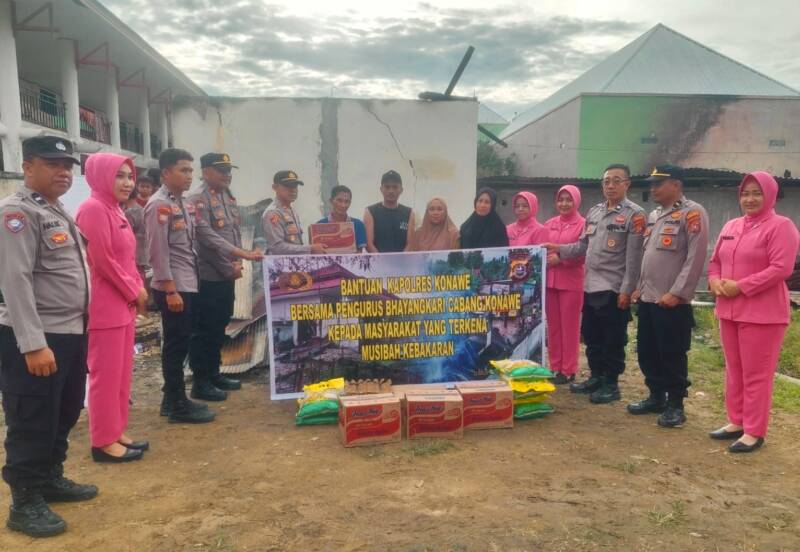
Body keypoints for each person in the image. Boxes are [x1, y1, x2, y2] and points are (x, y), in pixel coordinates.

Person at [0, 136, 97, 537]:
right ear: (27, 166)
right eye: (52, 164)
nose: (63, 172)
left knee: (65, 410)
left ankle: (50, 478)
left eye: (67, 166)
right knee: (32, 417)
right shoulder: (17, 213)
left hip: (71, 332)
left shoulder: (56, 210)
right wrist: (34, 344)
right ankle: (24, 501)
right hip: (39, 337)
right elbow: (15, 280)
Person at [708, 171, 799, 453]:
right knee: (734, 370)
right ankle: (736, 421)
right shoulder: (732, 225)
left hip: (763, 314)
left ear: (770, 195)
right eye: (745, 193)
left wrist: (741, 286)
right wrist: (714, 281)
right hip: (729, 310)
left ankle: (754, 431)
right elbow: (715, 261)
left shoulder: (781, 226)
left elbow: (781, 268)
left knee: (756, 374)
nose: (750, 199)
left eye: (757, 193)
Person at [544, 164, 645, 404]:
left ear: (627, 184)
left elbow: (634, 258)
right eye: (606, 181)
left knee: (612, 339)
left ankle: (611, 383)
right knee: (592, 336)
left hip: (613, 287)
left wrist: (627, 289)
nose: (610, 186)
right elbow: (582, 246)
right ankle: (596, 376)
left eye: (616, 181)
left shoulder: (635, 214)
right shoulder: (595, 212)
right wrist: (558, 248)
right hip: (589, 286)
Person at [75, 153, 149, 462]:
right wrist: (134, 290)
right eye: (119, 175)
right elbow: (102, 260)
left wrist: (138, 286)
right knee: (105, 376)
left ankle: (115, 430)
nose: (127, 182)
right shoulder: (92, 209)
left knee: (121, 374)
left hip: (124, 304)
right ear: (100, 176)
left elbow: (127, 258)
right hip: (106, 305)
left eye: (130, 176)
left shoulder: (115, 209)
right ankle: (103, 441)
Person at [628, 166, 709, 427]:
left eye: (658, 184)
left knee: (672, 354)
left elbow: (695, 258)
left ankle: (675, 405)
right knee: (647, 351)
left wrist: (677, 292)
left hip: (671, 301)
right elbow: (647, 256)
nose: (652, 189)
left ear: (676, 184)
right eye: (651, 184)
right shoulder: (654, 215)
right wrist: (639, 286)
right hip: (648, 298)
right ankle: (656, 397)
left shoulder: (692, 213)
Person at [145, 148, 214, 424]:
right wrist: (170, 289)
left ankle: (170, 399)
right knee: (175, 346)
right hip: (173, 286)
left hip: (188, 281)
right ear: (166, 173)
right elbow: (158, 252)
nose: (189, 176)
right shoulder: (158, 205)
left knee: (181, 343)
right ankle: (177, 405)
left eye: (190, 171)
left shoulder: (183, 203)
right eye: (183, 170)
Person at [187, 153, 263, 401]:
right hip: (208, 275)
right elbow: (207, 240)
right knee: (204, 329)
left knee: (220, 324)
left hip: (226, 273)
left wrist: (237, 262)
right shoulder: (198, 199)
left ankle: (214, 372)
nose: (227, 174)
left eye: (229, 170)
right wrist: (233, 263)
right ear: (205, 171)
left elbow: (233, 232)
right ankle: (201, 381)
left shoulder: (226, 195)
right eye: (221, 170)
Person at [544, 185, 585, 384]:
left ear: (576, 201)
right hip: (550, 281)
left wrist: (561, 259)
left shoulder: (583, 224)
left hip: (571, 282)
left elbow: (584, 252)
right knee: (553, 327)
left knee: (570, 327)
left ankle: (568, 369)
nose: (564, 204)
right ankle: (554, 367)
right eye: (561, 200)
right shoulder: (549, 224)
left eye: (569, 200)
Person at [262, 170, 326, 255]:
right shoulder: (273, 213)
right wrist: (310, 249)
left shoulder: (291, 211)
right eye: (287, 186)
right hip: (279, 262)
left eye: (295, 186)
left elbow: (295, 244)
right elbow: (277, 247)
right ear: (275, 187)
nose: (293, 190)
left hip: (293, 261)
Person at [364, 170, 415, 252]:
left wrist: (401, 258)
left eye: (395, 187)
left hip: (403, 259)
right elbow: (369, 244)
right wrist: (382, 259)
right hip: (378, 259)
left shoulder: (409, 213)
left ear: (401, 190)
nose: (391, 191)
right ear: (381, 189)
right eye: (387, 187)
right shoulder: (370, 212)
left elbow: (410, 243)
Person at [315, 185, 368, 252]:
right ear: (331, 201)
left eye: (347, 201)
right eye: (339, 200)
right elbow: (317, 253)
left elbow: (359, 253)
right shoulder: (319, 225)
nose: (343, 205)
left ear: (350, 203)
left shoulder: (358, 225)